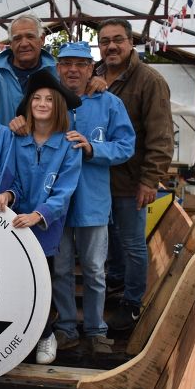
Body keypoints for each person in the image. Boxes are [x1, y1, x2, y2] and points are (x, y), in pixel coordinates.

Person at [0, 69, 82, 365]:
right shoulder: (18, 141)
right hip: (14, 222)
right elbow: (13, 181)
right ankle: (15, 333)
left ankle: (45, 334)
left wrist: (38, 215)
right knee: (12, 279)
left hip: (45, 226)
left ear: (58, 107)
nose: (42, 104)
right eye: (36, 99)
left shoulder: (69, 145)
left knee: (42, 281)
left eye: (49, 100)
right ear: (29, 104)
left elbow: (64, 191)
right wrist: (7, 196)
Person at [51, 42, 135, 354]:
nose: (73, 69)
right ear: (58, 68)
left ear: (91, 69)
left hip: (93, 203)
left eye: (81, 64)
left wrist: (93, 149)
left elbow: (126, 146)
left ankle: (97, 329)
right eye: (67, 63)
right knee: (60, 269)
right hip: (56, 205)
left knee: (94, 270)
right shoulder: (49, 100)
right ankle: (66, 327)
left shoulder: (109, 103)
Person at [94, 19, 174, 331]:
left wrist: (149, 180)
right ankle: (116, 283)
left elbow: (161, 136)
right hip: (101, 179)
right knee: (111, 237)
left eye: (117, 40)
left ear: (131, 43)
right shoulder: (96, 75)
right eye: (104, 41)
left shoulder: (149, 81)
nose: (111, 46)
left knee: (132, 242)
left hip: (131, 181)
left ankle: (132, 303)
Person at [0, 14, 57, 125]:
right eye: (17, 38)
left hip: (47, 142)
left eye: (30, 36)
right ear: (11, 44)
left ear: (42, 39)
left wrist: (97, 80)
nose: (24, 44)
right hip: (5, 142)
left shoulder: (58, 72)